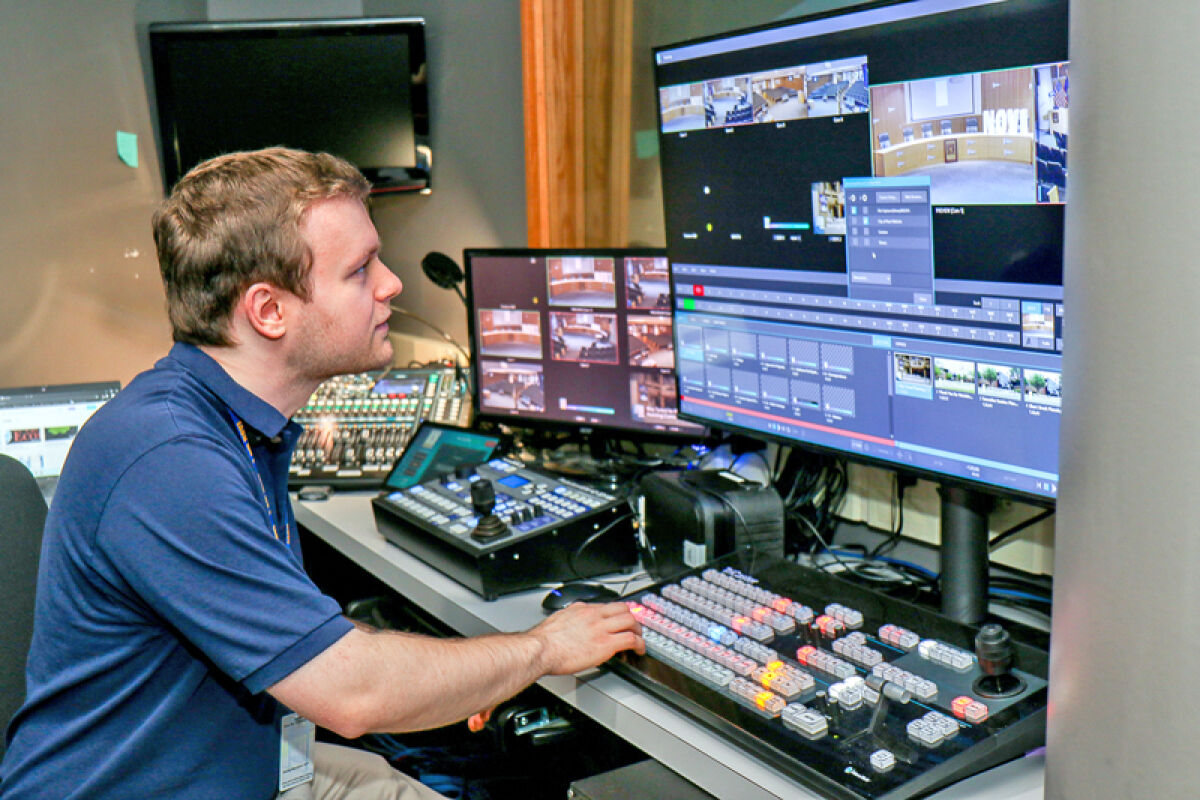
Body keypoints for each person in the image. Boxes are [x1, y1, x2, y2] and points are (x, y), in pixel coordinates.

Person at [0, 147, 644, 800]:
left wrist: (469, 675)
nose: (391, 284)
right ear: (269, 311)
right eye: (360, 270)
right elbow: (352, 693)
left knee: (393, 782)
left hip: (249, 769)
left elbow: (309, 635)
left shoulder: (236, 426)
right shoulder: (167, 460)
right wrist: (538, 650)